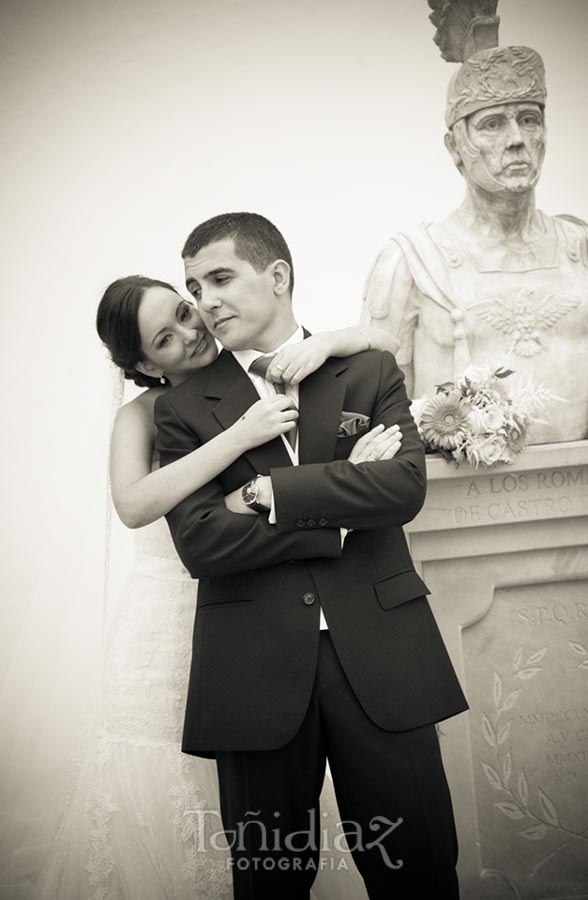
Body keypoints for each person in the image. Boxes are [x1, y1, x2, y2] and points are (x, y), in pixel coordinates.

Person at [28, 274, 402, 900]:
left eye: (184, 311)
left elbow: (383, 345)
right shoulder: (145, 414)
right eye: (165, 339)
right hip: (175, 616)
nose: (190, 332)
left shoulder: (254, 369)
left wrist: (334, 339)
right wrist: (246, 438)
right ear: (145, 363)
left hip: (267, 606)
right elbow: (137, 505)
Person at [155, 211, 469, 899]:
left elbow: (401, 489)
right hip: (250, 672)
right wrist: (338, 508)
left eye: (219, 278)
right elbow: (202, 541)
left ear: (277, 276)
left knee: (418, 872)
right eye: (193, 286)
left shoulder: (366, 369)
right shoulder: (180, 409)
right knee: (269, 883)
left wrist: (270, 492)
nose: (204, 300)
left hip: (384, 656)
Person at [361, 43, 588, 444]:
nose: (517, 139)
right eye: (493, 124)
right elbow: (375, 418)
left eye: (529, 119)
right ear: (455, 147)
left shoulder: (581, 250)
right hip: (465, 500)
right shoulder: (413, 262)